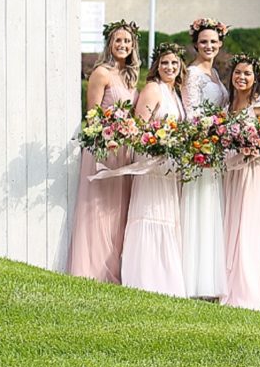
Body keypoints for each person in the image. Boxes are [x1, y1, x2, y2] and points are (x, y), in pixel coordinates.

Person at [66, 20, 139, 282]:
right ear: (109, 43)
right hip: (104, 150)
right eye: (118, 40)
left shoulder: (130, 77)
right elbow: (92, 115)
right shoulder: (102, 73)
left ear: (133, 46)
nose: (123, 45)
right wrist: (111, 132)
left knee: (117, 210)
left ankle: (114, 268)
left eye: (127, 41)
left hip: (123, 151)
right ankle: (91, 271)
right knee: (97, 209)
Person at [121, 43, 189, 297]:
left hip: (169, 170)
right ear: (156, 67)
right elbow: (138, 130)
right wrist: (158, 145)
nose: (169, 67)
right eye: (164, 63)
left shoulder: (175, 93)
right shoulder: (153, 89)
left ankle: (167, 281)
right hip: (152, 168)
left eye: (174, 63)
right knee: (150, 215)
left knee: (168, 219)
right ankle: (145, 280)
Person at [181, 18, 230, 300]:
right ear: (195, 45)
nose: (209, 46)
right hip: (200, 148)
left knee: (212, 210)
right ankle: (194, 281)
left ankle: (211, 280)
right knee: (198, 209)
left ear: (220, 43)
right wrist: (211, 134)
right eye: (203, 42)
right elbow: (191, 112)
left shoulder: (216, 75)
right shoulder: (192, 73)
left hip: (216, 147)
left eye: (213, 42)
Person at [220, 54, 260, 310]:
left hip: (253, 172)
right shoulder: (225, 107)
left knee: (248, 227)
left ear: (256, 78)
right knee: (230, 225)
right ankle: (227, 287)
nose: (241, 77)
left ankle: (248, 294)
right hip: (231, 172)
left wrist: (254, 148)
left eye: (247, 74)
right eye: (238, 72)